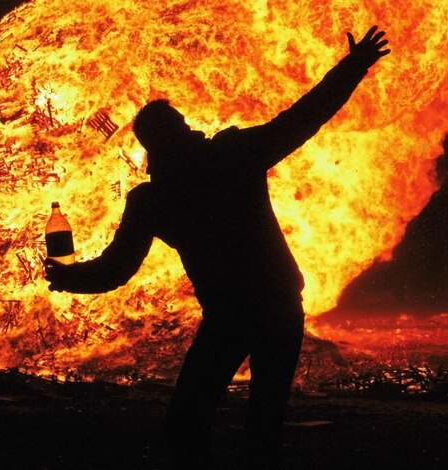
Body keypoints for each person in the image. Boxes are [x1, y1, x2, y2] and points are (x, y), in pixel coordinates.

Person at [45, 25, 390, 469]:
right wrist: (354, 66)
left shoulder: (153, 199)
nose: (194, 129)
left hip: (234, 315)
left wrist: (72, 277)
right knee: (261, 422)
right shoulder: (232, 157)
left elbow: (115, 269)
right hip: (275, 307)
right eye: (184, 125)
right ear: (171, 137)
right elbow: (303, 117)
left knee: (191, 418)